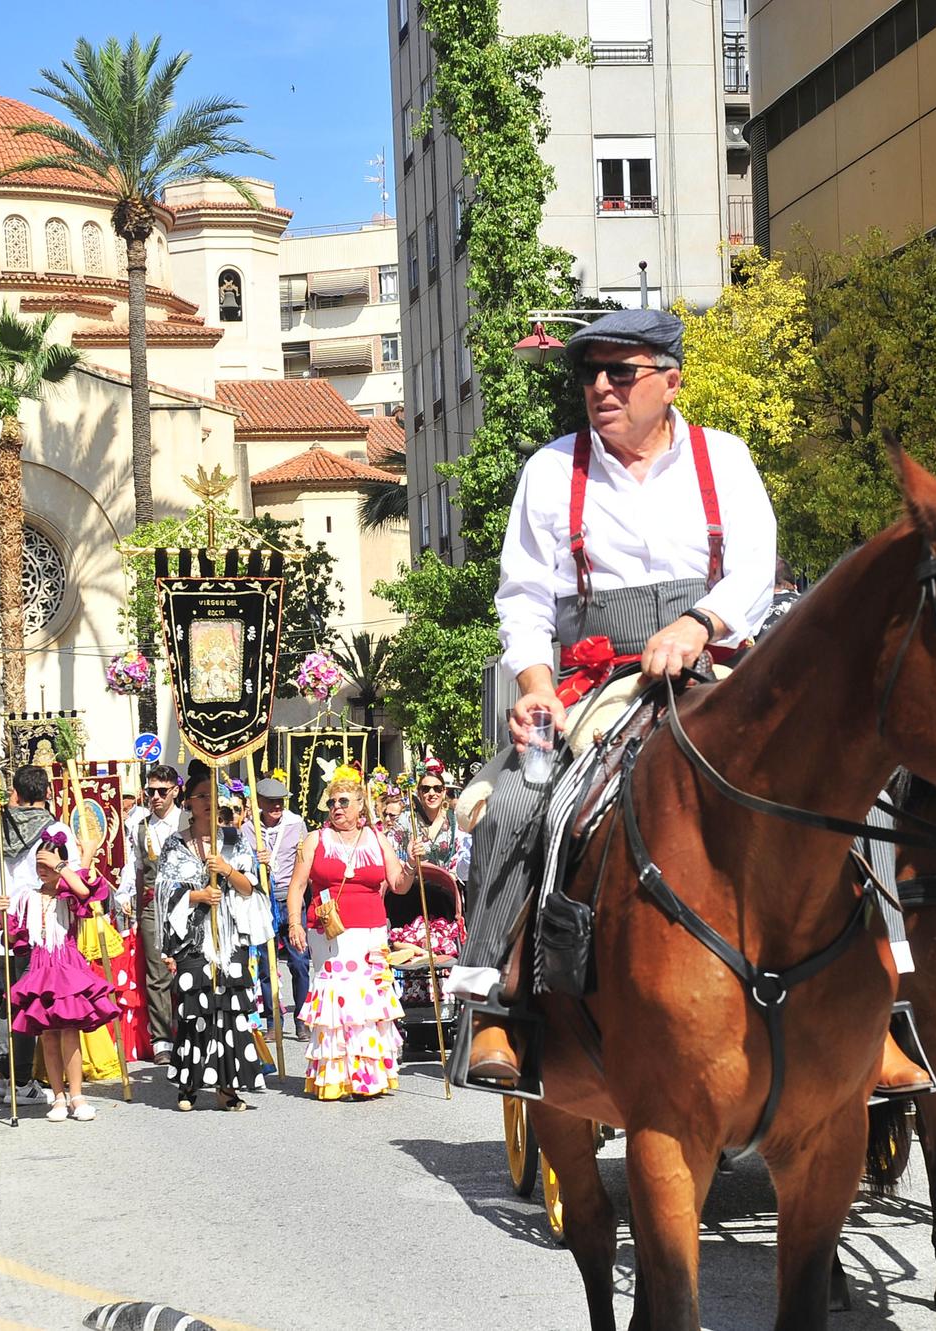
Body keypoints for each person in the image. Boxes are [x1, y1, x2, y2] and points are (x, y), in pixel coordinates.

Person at [451, 307, 781, 1089]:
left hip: (717, 664)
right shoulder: (548, 471)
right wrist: (534, 688)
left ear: (669, 381)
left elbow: (757, 570)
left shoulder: (724, 458)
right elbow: (525, 597)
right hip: (594, 680)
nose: (600, 386)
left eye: (619, 372)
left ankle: (885, 990)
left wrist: (699, 624)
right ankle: (496, 1006)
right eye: (589, 374)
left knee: (844, 772)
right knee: (516, 802)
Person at [287, 768, 409, 1100]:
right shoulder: (315, 839)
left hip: (371, 932)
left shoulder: (377, 839)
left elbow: (398, 883)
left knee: (368, 1004)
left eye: (344, 801)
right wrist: (294, 923)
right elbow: (297, 886)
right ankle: (335, 1076)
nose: (337, 807)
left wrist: (412, 864)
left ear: (360, 807)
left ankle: (368, 1077)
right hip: (329, 933)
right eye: (332, 802)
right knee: (337, 1000)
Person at [160, 763, 269, 1111]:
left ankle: (227, 1086)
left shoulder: (235, 841)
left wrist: (227, 870)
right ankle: (190, 1083)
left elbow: (250, 886)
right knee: (197, 1007)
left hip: (230, 937)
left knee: (231, 1007)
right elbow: (163, 892)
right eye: (201, 796)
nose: (209, 802)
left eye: (213, 796)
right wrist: (196, 896)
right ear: (188, 802)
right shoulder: (175, 845)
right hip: (193, 938)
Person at [8, 830, 121, 1122]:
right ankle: (57, 1097)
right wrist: (2, 912)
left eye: (48, 865)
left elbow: (84, 890)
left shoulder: (70, 893)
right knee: (47, 1035)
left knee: (70, 1032)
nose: (42, 870)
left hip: (67, 967)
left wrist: (65, 864)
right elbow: (15, 940)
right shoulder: (27, 898)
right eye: (39, 865)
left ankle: (77, 1095)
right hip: (41, 969)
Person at [0, 767, 61, 1106]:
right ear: (46, 792)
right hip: (36, 927)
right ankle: (20, 1081)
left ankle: (3, 1074)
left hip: (1, 924)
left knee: (9, 1003)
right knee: (27, 1006)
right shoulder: (55, 830)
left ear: (17, 794)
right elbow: (71, 871)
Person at [125, 763, 186, 1064]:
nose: (156, 797)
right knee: (157, 973)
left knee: (188, 967)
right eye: (151, 792)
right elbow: (137, 870)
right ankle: (162, 1038)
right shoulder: (140, 827)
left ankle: (189, 1029)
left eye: (162, 791)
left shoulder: (188, 821)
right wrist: (138, 911)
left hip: (187, 904)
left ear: (175, 790)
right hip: (152, 906)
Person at [253, 776, 310, 1035]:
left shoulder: (296, 824)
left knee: (299, 961)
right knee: (267, 966)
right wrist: (256, 860)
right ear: (260, 802)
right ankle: (273, 1020)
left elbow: (306, 861)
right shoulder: (249, 828)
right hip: (264, 900)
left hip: (292, 899)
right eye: (271, 802)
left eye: (280, 802)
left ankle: (302, 1018)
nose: (276, 807)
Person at [399, 761, 472, 885]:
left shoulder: (456, 821)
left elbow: (464, 858)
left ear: (443, 792)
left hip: (447, 893)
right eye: (425, 789)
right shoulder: (406, 820)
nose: (432, 794)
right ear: (419, 792)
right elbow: (392, 857)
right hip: (412, 890)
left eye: (437, 789)